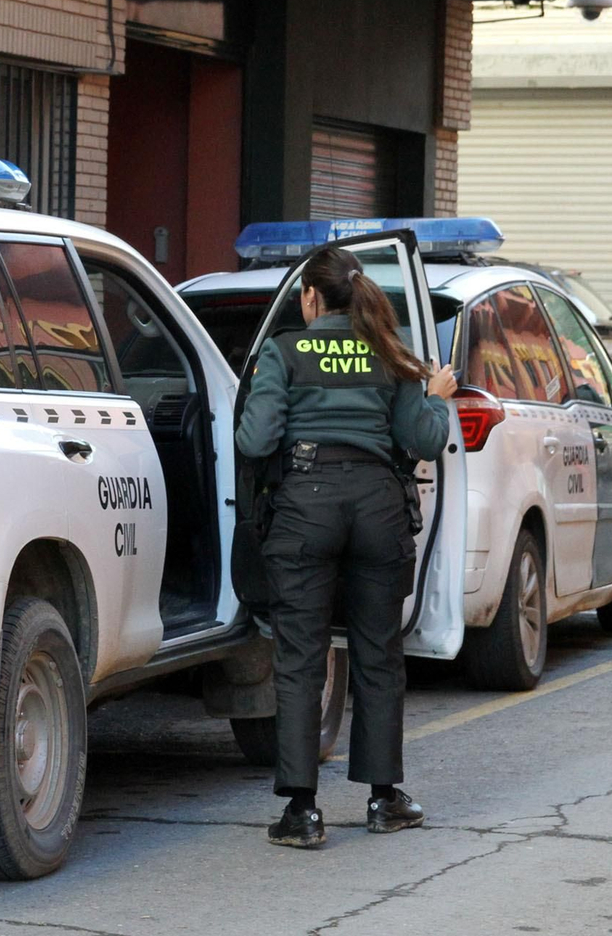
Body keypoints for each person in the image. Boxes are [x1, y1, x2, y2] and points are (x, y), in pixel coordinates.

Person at [234, 247, 458, 848]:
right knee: (378, 656)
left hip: (305, 508)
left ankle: (302, 811)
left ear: (310, 296)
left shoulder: (283, 352)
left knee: (302, 658)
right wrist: (434, 393)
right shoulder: (393, 354)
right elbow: (426, 439)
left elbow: (255, 440)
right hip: (378, 509)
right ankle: (385, 798)